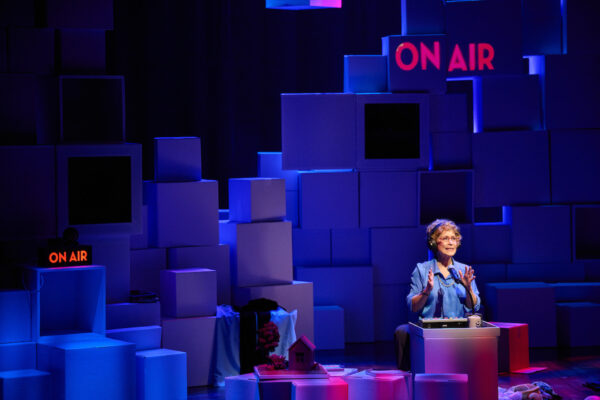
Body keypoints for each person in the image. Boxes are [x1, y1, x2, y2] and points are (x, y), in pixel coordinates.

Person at [394, 219, 481, 370]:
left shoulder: (464, 270)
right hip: (429, 334)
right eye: (445, 238)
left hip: (459, 335)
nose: (451, 242)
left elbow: (474, 306)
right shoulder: (422, 270)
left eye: (454, 238)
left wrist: (469, 289)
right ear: (434, 243)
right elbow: (413, 306)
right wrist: (426, 291)